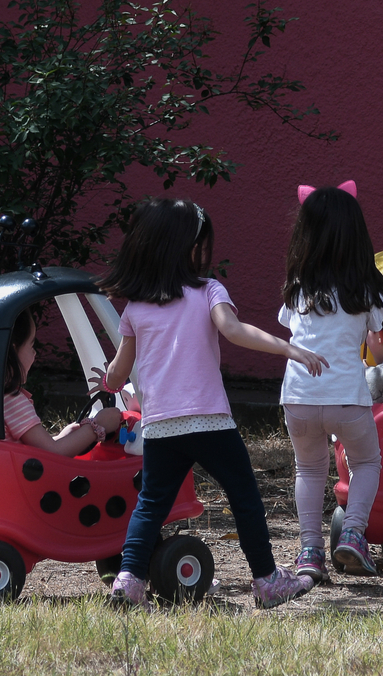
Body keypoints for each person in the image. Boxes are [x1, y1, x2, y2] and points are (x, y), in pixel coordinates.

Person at [92, 197, 325, 611]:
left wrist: (107, 380)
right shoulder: (208, 290)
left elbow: (116, 373)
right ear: (189, 248)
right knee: (244, 495)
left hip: (161, 425)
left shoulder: (136, 306)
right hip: (209, 420)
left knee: (150, 505)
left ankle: (128, 583)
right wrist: (289, 349)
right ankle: (267, 580)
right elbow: (234, 331)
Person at [278, 182, 383, 581]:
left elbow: (290, 326)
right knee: (366, 462)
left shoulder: (298, 289)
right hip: (346, 397)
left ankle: (310, 551)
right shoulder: (365, 289)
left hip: (298, 397)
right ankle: (353, 533)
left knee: (308, 470)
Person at [1, 313, 128, 455]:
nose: (35, 353)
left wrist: (61, 437)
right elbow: (53, 453)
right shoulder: (12, 401)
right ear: (12, 351)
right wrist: (98, 426)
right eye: (31, 345)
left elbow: (37, 448)